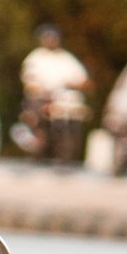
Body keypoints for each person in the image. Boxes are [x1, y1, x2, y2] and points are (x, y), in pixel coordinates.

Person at [15, 24, 90, 159]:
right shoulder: (36, 58)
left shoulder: (66, 59)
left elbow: (83, 80)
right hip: (42, 100)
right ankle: (38, 149)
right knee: (36, 117)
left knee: (71, 119)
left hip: (63, 101)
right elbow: (29, 83)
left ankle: (64, 155)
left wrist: (71, 85)